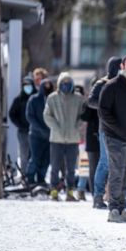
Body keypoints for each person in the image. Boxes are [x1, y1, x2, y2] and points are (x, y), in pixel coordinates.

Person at [98, 54, 126, 223]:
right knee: (116, 172)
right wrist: (120, 131)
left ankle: (122, 207)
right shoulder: (111, 86)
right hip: (114, 137)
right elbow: (103, 112)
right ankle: (113, 210)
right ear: (122, 67)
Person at [44, 73, 85, 201]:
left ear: (72, 84)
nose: (66, 85)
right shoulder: (52, 98)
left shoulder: (78, 98)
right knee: (55, 167)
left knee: (71, 169)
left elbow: (83, 115)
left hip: (73, 139)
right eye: (63, 82)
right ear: (59, 84)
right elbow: (47, 115)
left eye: (68, 82)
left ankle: (70, 192)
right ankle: (54, 192)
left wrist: (76, 126)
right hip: (56, 139)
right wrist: (56, 127)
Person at [89, 56, 122, 209]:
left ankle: (117, 196)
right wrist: (106, 106)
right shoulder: (101, 83)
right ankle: (98, 196)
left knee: (122, 164)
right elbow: (91, 101)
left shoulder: (125, 83)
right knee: (105, 162)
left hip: (123, 129)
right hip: (107, 128)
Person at [26, 79, 54, 185]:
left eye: (49, 86)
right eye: (45, 85)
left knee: (46, 159)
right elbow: (29, 116)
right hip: (35, 135)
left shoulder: (53, 100)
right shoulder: (33, 99)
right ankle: (30, 177)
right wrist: (40, 128)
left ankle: (41, 178)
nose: (47, 88)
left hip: (50, 135)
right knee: (35, 157)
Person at [9, 76, 36, 169]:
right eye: (26, 85)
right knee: (24, 155)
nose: (28, 87)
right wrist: (20, 124)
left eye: (29, 85)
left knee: (34, 155)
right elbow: (12, 114)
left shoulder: (36, 98)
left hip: (36, 132)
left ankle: (33, 175)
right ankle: (24, 174)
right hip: (23, 132)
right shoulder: (19, 99)